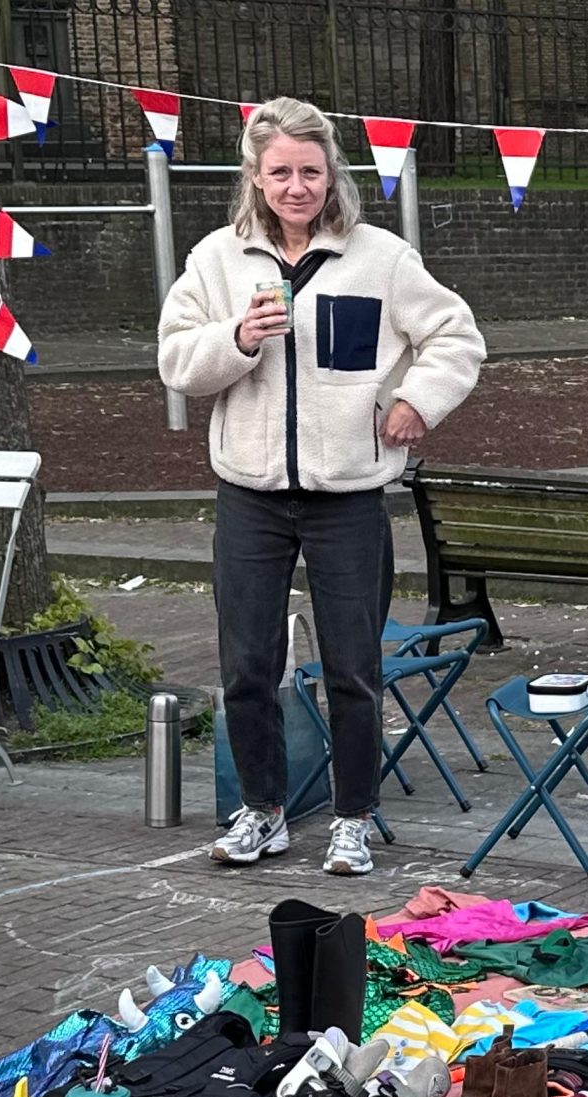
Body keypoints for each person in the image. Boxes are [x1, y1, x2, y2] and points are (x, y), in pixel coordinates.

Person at [158, 97, 484, 878]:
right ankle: (262, 812)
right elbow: (175, 359)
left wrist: (416, 401)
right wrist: (233, 341)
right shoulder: (215, 261)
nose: (297, 186)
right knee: (246, 664)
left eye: (310, 170)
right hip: (250, 493)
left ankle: (352, 817)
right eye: (281, 173)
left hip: (348, 497)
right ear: (256, 177)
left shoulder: (381, 258)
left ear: (331, 172)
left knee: (352, 667)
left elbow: (456, 335)